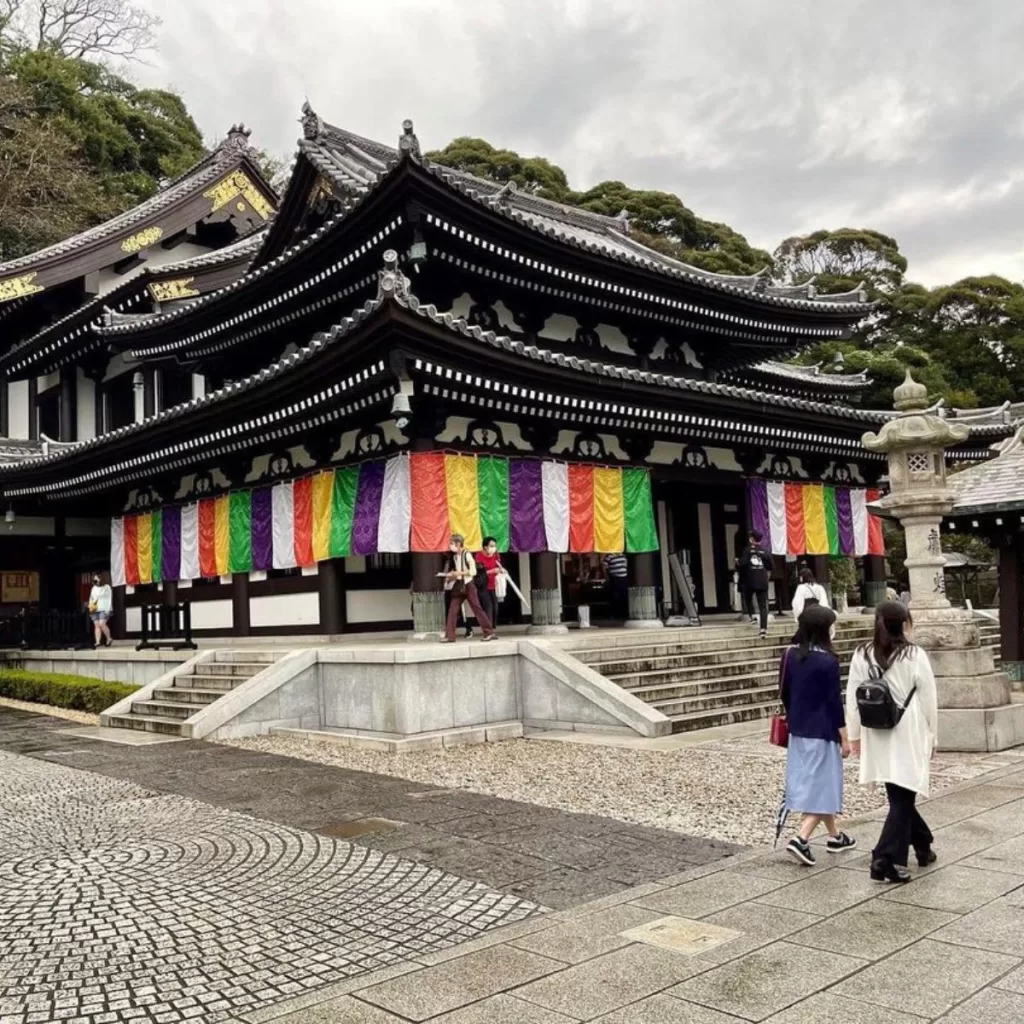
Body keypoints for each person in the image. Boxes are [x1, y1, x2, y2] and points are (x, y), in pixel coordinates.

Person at [846, 600, 938, 884]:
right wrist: (933, 735)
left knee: (899, 795)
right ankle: (885, 858)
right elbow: (928, 698)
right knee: (903, 795)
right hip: (907, 727)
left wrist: (855, 735)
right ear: (904, 623)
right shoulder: (913, 654)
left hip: (876, 729)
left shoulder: (862, 653)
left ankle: (922, 842)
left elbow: (852, 696)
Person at [783, 604, 856, 866]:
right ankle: (801, 838)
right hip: (822, 731)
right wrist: (845, 737)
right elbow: (834, 703)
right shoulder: (828, 661)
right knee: (824, 785)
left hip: (798, 729)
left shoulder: (790, 655)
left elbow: (785, 692)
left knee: (817, 782)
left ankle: (835, 836)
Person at [441, 534, 497, 642]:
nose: (450, 546)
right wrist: (451, 576)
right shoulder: (454, 557)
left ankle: (489, 632)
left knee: (477, 608)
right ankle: (450, 636)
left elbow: (473, 572)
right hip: (459, 585)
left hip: (468, 585)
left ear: (458, 544)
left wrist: (459, 572)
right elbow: (459, 573)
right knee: (453, 609)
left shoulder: (467, 555)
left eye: (452, 543)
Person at [738, 530, 775, 638]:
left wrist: (737, 561)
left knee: (747, 598)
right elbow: (771, 566)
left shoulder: (747, 550)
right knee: (763, 606)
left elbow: (742, 563)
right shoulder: (766, 551)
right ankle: (763, 629)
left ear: (752, 539)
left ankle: (751, 616)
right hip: (762, 580)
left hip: (750, 580)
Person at [474, 536, 504, 632]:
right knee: (488, 607)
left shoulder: (496, 555)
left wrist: (501, 570)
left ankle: (493, 629)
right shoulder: (479, 556)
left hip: (494, 585)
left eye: (494, 546)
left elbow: (499, 567)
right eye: (491, 546)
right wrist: (491, 571)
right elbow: (478, 573)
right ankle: (488, 630)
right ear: (485, 547)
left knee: (495, 607)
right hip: (483, 586)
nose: (493, 548)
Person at [87, 571, 113, 647]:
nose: (96, 579)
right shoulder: (94, 588)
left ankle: (109, 638)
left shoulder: (107, 587)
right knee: (96, 625)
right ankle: (98, 641)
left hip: (104, 608)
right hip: (95, 609)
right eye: (95, 577)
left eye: (98, 577)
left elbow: (109, 598)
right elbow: (91, 598)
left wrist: (108, 609)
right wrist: (90, 606)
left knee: (102, 624)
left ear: (102, 578)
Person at [603, 552, 628, 621]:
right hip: (614, 578)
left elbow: (626, 564)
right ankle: (614, 614)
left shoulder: (623, 555)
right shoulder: (609, 555)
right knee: (615, 597)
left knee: (624, 596)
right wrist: (607, 577)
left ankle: (623, 614)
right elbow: (604, 567)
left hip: (624, 578)